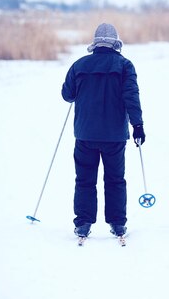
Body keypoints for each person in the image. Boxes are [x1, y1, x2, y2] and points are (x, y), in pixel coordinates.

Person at [61, 23, 145, 239]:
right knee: (116, 179)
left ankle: (83, 223)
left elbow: (67, 95)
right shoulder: (125, 66)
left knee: (84, 179)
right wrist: (138, 125)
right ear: (115, 43)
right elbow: (131, 96)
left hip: (85, 134)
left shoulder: (79, 65)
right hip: (114, 136)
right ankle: (118, 224)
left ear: (95, 43)